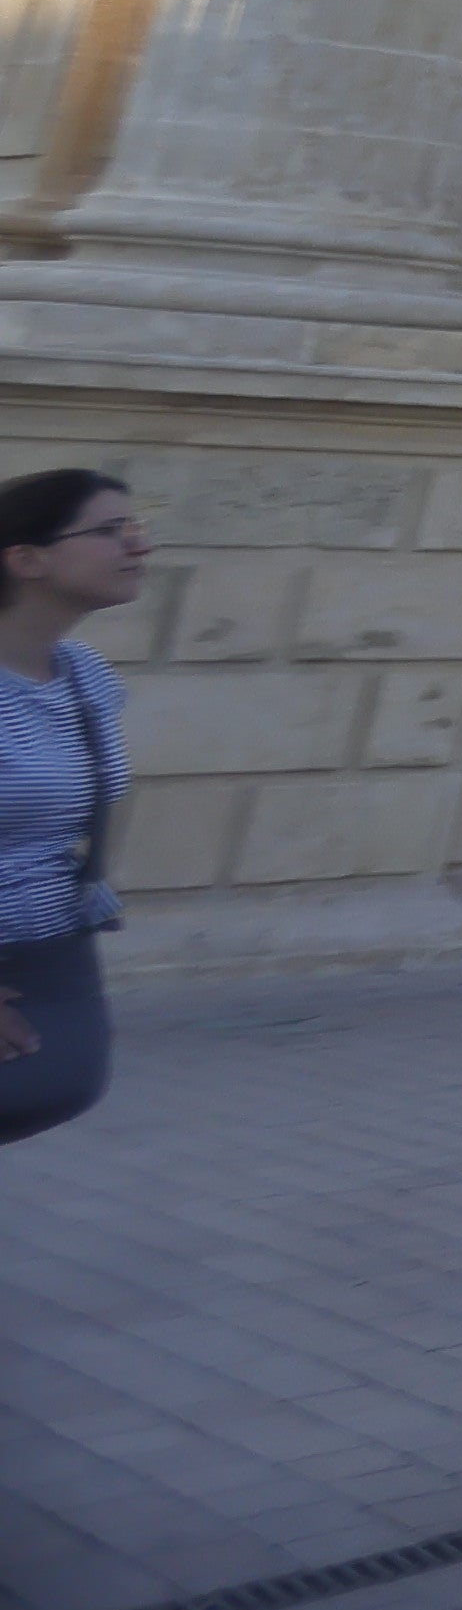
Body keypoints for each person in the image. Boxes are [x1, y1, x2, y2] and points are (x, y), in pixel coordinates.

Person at [0, 467, 147, 1149]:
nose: (137, 545)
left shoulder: (85, 673)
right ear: (26, 559)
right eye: (109, 531)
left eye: (136, 528)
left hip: (51, 954)